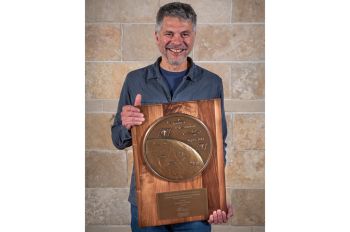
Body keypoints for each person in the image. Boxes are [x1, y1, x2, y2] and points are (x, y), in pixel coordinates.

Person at [111, 2, 233, 231]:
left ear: (194, 36)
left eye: (185, 34)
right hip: (147, 200)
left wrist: (219, 194)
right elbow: (118, 139)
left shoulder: (211, 83)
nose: (177, 42)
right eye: (169, 33)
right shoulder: (135, 81)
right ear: (157, 36)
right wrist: (127, 125)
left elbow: (217, 146)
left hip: (194, 205)